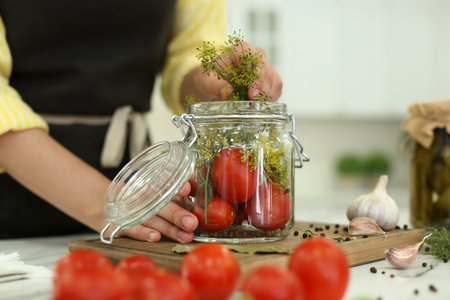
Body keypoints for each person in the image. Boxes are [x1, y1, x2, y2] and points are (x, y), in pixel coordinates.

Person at [0, 0, 282, 243]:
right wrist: (107, 205)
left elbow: (190, 50)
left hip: (132, 193)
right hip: (13, 206)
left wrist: (206, 81)